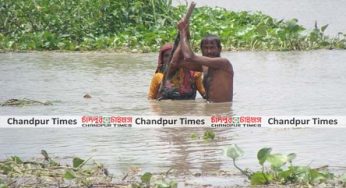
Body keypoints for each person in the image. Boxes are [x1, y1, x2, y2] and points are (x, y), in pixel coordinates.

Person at [177, 19, 234, 103]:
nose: (209, 51)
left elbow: (189, 56)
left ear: (219, 49)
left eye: (212, 47)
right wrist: (186, 33)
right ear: (201, 49)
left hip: (222, 112)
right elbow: (178, 62)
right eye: (206, 48)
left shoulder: (224, 63)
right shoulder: (204, 66)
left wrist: (182, 33)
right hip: (209, 108)